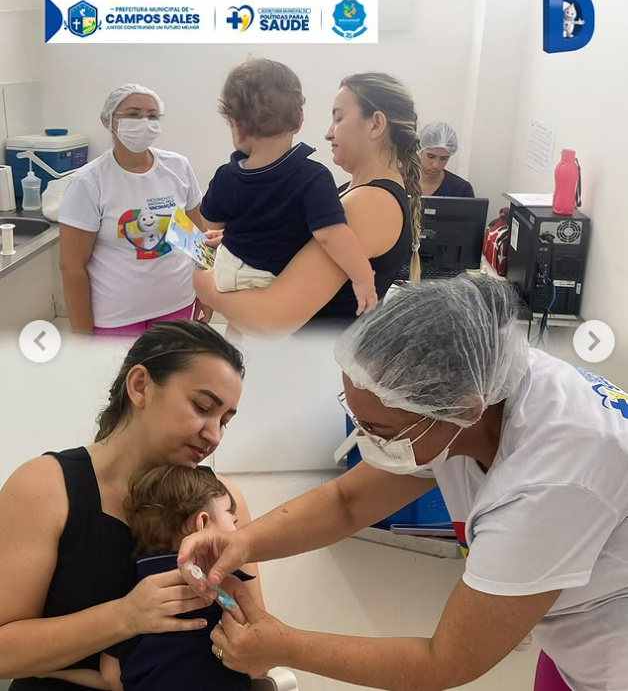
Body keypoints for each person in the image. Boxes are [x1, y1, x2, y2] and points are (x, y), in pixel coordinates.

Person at [179, 276, 628, 691]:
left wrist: (284, 646)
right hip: (572, 645)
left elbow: (445, 660)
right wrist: (242, 542)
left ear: (463, 409)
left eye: (381, 431)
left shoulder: (552, 480)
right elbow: (347, 502)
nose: (367, 441)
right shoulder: (478, 376)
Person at [0, 321, 262, 691]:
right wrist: (124, 617)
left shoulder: (224, 502)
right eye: (202, 407)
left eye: (225, 421)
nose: (215, 434)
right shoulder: (44, 487)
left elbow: (257, 652)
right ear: (140, 386)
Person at [193, 71, 420, 336]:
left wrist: (204, 286)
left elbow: (270, 320)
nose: (328, 133)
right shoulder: (350, 192)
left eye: (338, 118)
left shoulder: (370, 203)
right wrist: (245, 237)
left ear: (376, 124)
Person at [45, 465, 253, 691]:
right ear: (202, 523)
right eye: (233, 521)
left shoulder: (128, 592)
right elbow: (254, 641)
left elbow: (111, 678)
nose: (237, 531)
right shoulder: (223, 584)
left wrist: (53, 671)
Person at [59, 84, 206, 337]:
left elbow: (196, 239)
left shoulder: (177, 168)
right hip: (116, 316)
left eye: (152, 115)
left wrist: (207, 292)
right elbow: (72, 267)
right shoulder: (89, 182)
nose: (144, 122)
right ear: (108, 120)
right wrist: (82, 336)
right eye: (134, 115)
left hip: (178, 304)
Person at [418, 121, 475, 197]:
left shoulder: (462, 189)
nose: (436, 165)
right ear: (420, 150)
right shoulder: (402, 183)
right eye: (430, 156)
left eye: (444, 158)